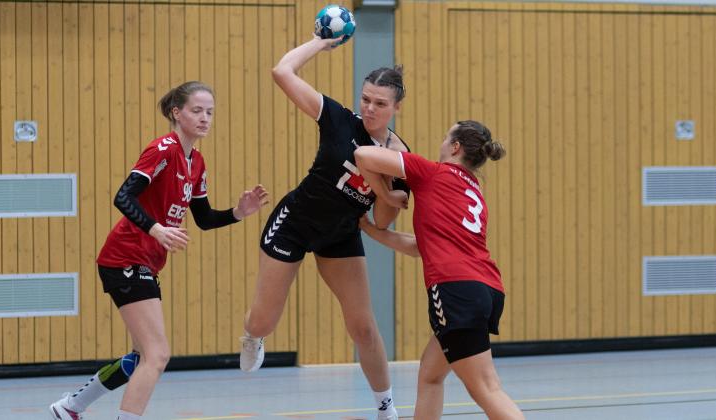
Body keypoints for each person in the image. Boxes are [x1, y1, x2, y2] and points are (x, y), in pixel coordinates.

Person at [49, 81, 269, 420]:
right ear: (176, 113)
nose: (205, 118)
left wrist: (239, 213)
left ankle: (71, 406)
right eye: (196, 110)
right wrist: (156, 229)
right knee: (158, 354)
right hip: (124, 257)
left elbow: (205, 219)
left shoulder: (197, 162)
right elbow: (123, 196)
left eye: (210, 112)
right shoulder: (163, 149)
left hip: (146, 263)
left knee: (141, 357)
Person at [238, 35, 409, 420]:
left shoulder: (401, 158)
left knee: (363, 327)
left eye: (380, 103)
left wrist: (389, 197)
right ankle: (252, 335)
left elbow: (380, 222)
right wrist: (320, 43)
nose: (370, 108)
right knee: (264, 319)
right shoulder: (338, 119)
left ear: (397, 107)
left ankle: (385, 407)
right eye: (366, 98)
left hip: (340, 234)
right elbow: (282, 71)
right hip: (295, 224)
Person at [354, 120, 524, 419]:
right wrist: (371, 230)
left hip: (455, 290)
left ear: (456, 147)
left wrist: (385, 194)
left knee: (486, 388)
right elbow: (423, 248)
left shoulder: (431, 171)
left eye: (447, 137)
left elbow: (364, 156)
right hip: (486, 289)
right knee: (430, 375)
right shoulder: (474, 192)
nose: (442, 142)